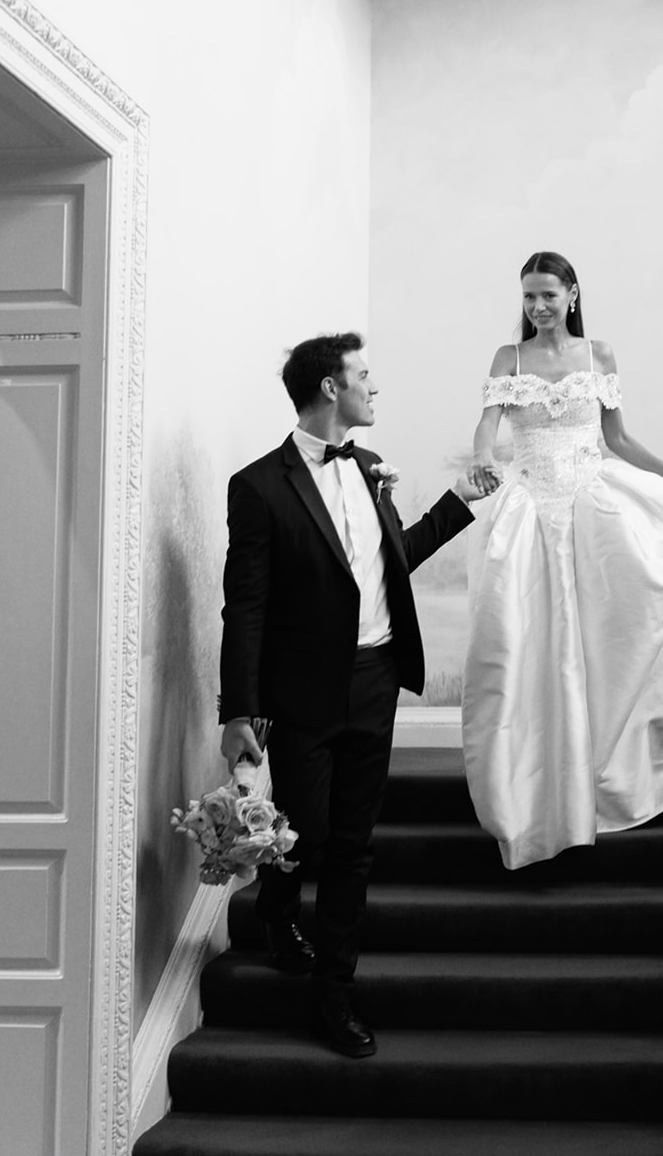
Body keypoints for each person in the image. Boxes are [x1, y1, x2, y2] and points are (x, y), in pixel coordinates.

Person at [218, 332, 493, 1058]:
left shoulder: (372, 470)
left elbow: (393, 563)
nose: (377, 387)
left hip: (375, 681)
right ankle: (280, 909)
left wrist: (456, 502)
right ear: (331, 388)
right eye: (365, 375)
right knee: (305, 831)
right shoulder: (257, 487)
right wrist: (237, 711)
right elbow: (244, 606)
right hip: (302, 691)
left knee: (354, 846)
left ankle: (332, 996)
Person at [462, 251, 663, 870]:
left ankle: (605, 766)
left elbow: (616, 438)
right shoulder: (507, 360)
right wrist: (483, 456)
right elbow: (488, 427)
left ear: (571, 293)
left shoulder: (599, 356)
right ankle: (536, 779)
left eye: (547, 296)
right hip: (532, 507)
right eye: (528, 297)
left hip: (595, 506)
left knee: (607, 637)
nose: (537, 308)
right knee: (526, 643)